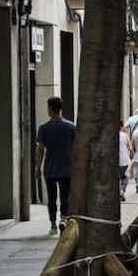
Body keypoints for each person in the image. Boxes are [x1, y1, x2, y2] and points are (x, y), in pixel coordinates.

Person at [34, 97, 77, 234]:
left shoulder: (44, 128)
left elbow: (40, 149)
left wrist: (37, 167)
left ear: (50, 109)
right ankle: (63, 219)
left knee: (51, 198)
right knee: (65, 197)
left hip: (50, 168)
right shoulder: (71, 127)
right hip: (67, 168)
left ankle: (53, 225)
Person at [117, 121, 133, 201]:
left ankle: (120, 191)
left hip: (116, 160)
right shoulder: (125, 135)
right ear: (121, 126)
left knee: (118, 177)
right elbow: (130, 147)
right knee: (126, 176)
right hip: (125, 159)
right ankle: (122, 191)